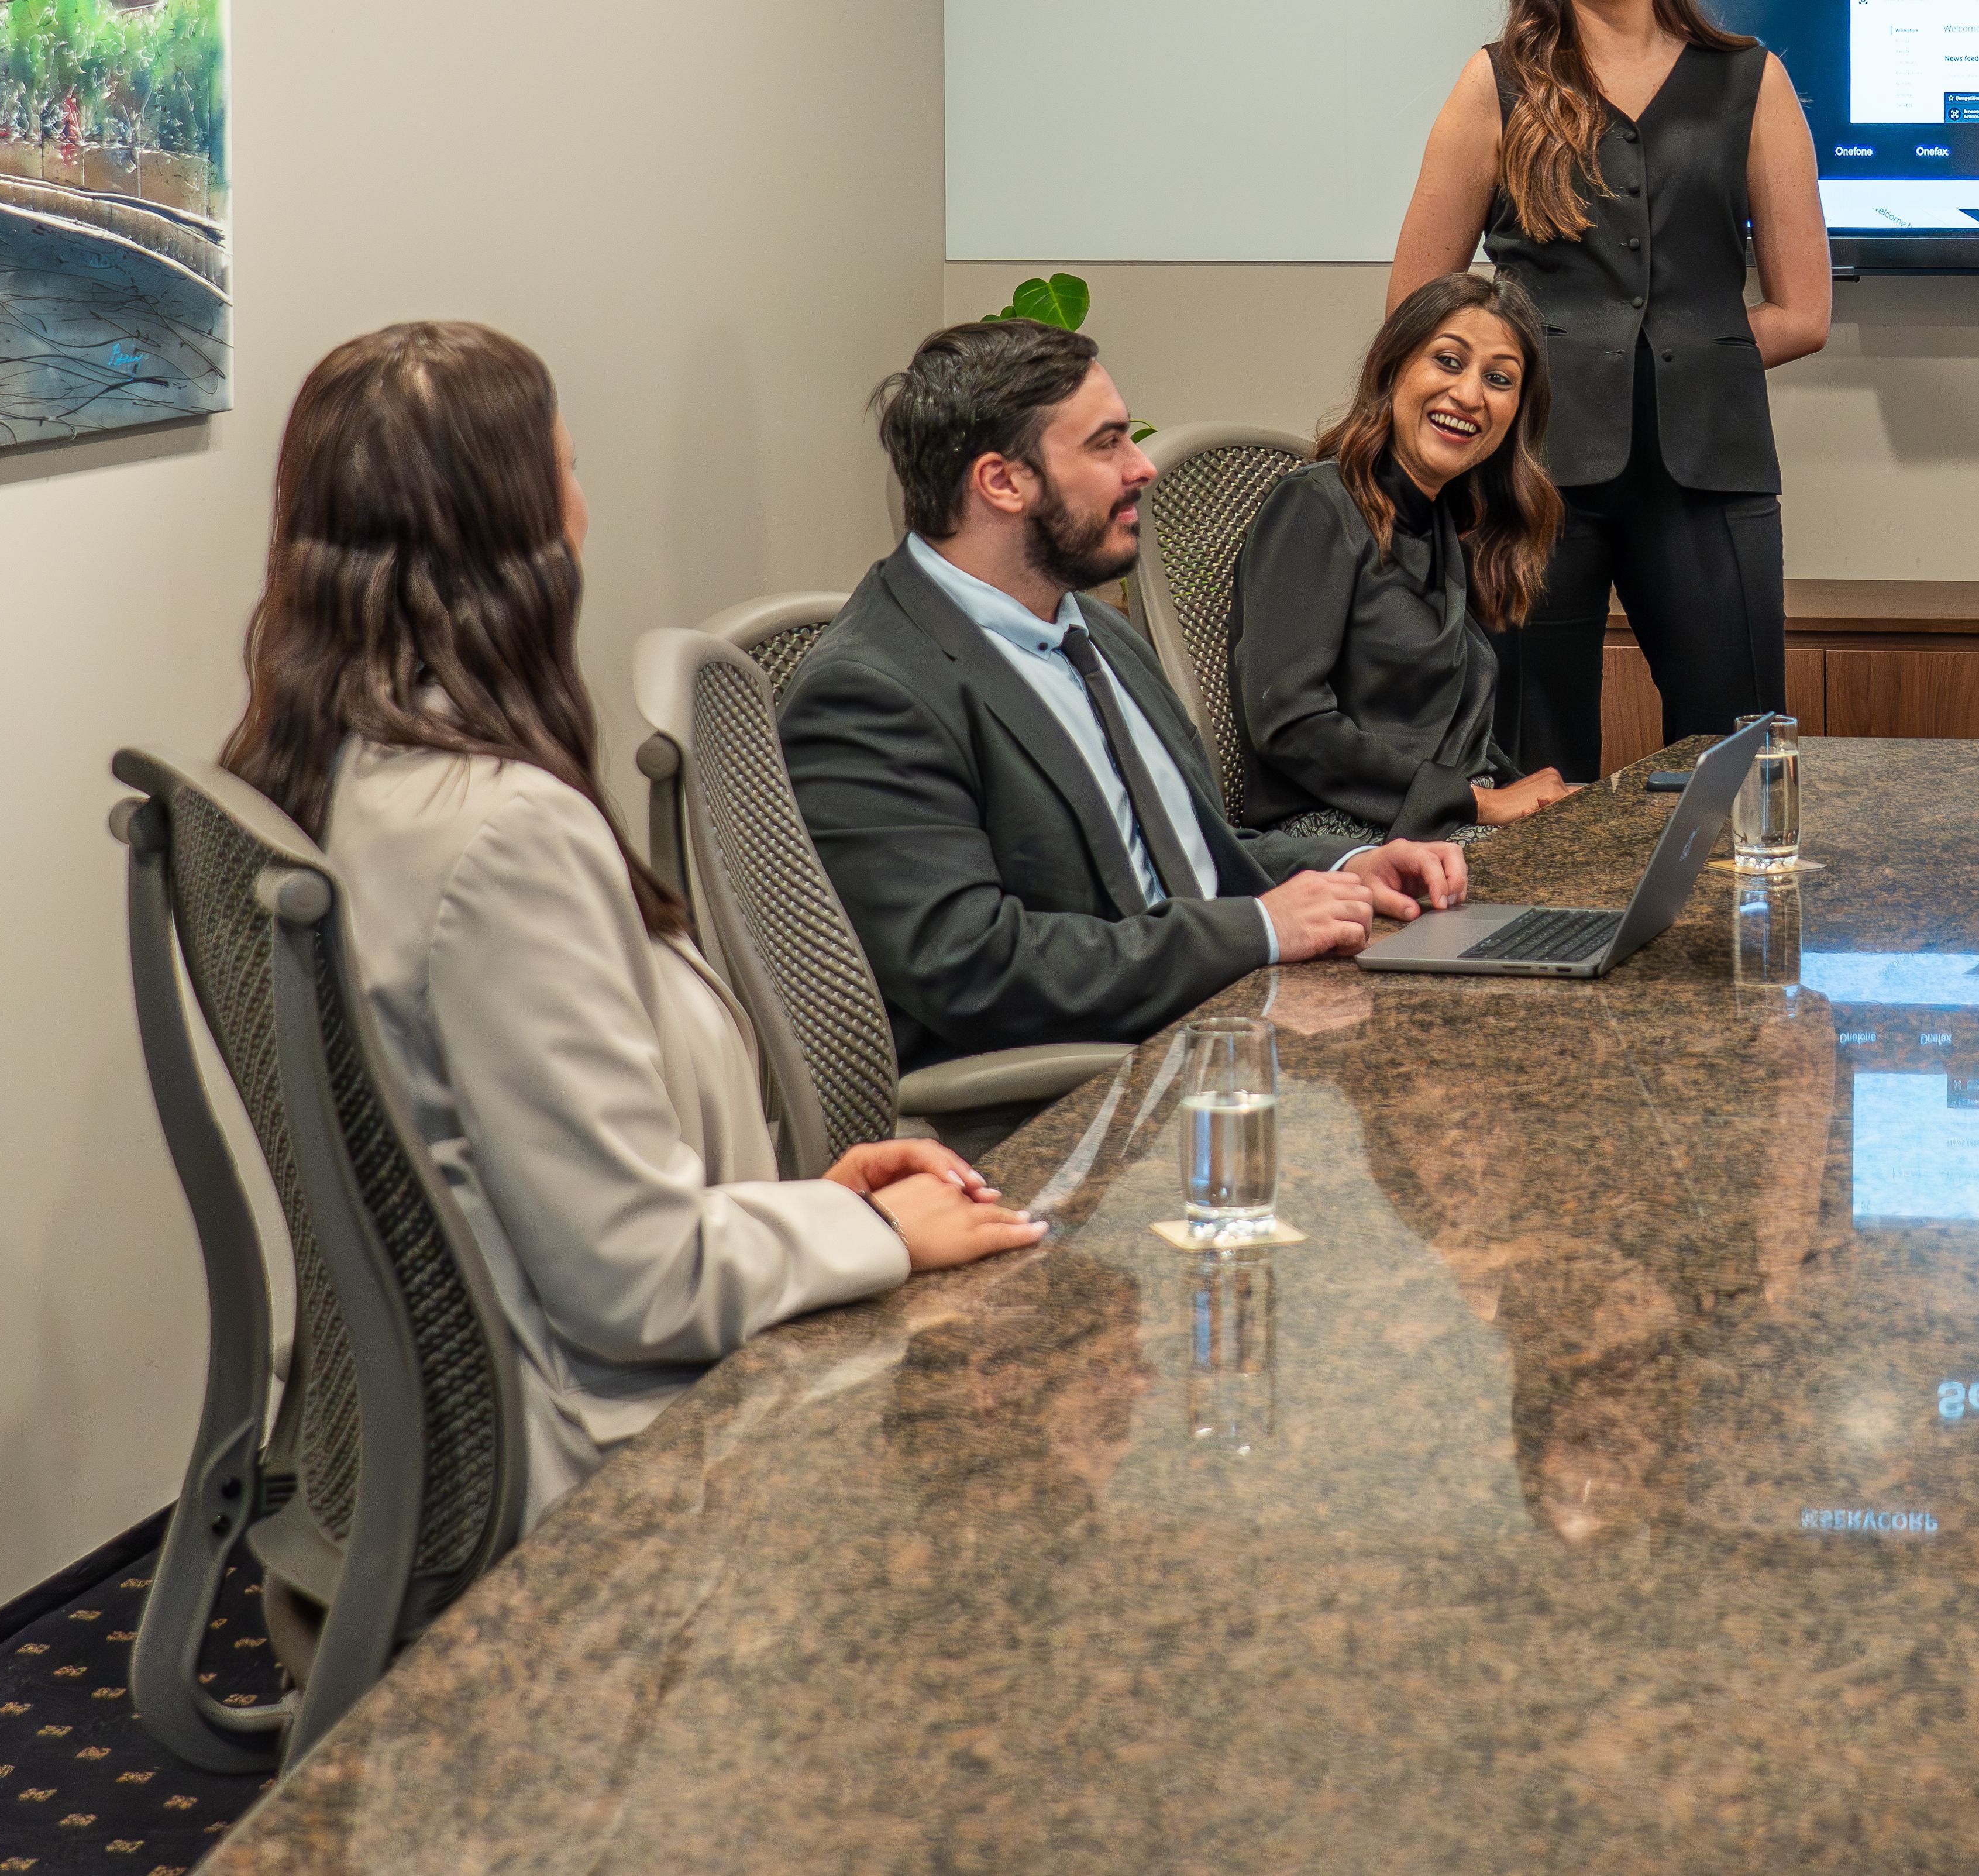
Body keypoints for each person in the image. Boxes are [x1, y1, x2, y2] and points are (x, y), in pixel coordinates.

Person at [226, 321, 1042, 1529]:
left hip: (478, 1407)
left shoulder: (337, 768)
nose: (586, 509)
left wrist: (805, 1203)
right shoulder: (504, 833)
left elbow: (540, 1184)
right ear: (517, 534)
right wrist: (865, 1226)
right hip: (616, 1454)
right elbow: (635, 1280)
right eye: (570, 470)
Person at [782, 318, 1472, 1070]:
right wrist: (1258, 930)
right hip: (1066, 1107)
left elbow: (1180, 848)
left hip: (1211, 1035)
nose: (1142, 466)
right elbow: (973, 968)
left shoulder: (1092, 632)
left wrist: (1347, 867)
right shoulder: (869, 694)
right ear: (1002, 482)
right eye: (1106, 443)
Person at [1380, 0, 1830, 773]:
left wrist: (1692, 349)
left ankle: (1725, 929)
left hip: (1714, 471)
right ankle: (1542, 933)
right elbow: (1417, 308)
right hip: (1529, 476)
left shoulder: (1753, 79)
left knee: (1740, 757)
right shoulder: (1492, 84)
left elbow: (1804, 312)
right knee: (1532, 763)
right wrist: (1511, 380)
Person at [1227, 270, 1588, 846]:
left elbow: (1449, 736)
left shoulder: (1443, 523)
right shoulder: (1315, 505)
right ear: (1393, 368)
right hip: (1339, 832)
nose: (1469, 395)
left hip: (1438, 817)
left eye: (1498, 379)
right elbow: (1290, 724)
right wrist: (1479, 802)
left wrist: (1542, 800)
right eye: (1448, 361)